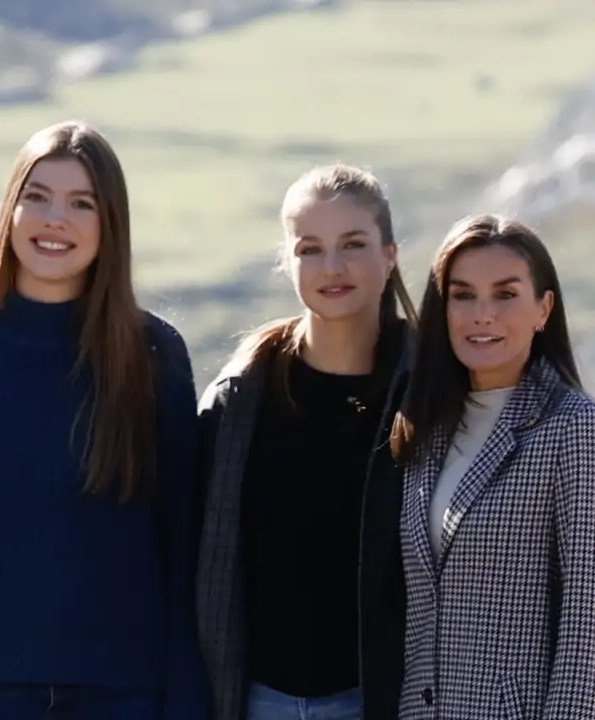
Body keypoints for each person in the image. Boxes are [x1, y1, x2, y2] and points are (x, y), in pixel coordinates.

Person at [0, 120, 210, 720]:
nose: (56, 219)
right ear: (10, 211)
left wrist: (184, 701)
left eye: (82, 203)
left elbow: (181, 549)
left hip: (122, 693)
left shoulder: (154, 357)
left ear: (110, 224)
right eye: (38, 197)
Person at [196, 164, 418, 720]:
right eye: (310, 249)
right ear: (288, 261)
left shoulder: (432, 393)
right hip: (254, 701)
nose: (332, 267)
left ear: (390, 255)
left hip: (388, 701)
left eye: (353, 244)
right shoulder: (240, 397)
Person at [390, 214, 595, 719]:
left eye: (505, 294)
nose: (483, 315)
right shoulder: (425, 430)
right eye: (463, 295)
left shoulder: (578, 430)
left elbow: (593, 626)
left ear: (543, 308)